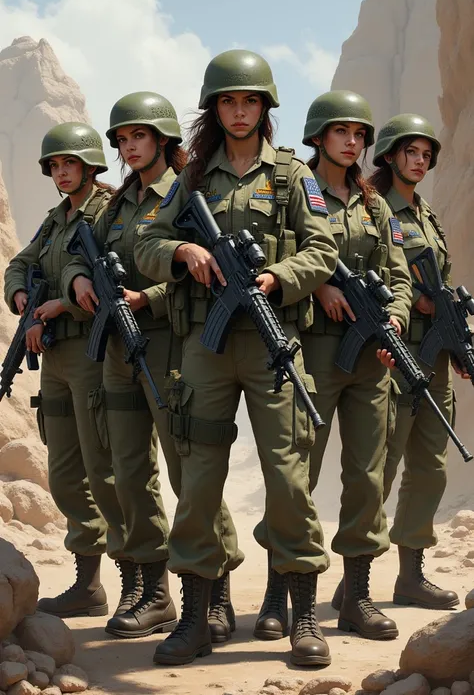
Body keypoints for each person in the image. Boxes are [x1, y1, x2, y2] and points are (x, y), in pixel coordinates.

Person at [135, 49, 339, 667]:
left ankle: (303, 614)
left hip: (273, 341)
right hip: (206, 345)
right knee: (198, 479)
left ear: (266, 108)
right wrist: (183, 254)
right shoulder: (189, 179)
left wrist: (276, 278)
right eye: (229, 100)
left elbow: (323, 249)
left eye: (251, 100)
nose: (241, 110)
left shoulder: (292, 174)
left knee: (288, 476)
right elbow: (145, 240)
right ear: (214, 109)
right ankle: (196, 618)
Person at [63, 92, 243, 640]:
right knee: (125, 471)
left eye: (138, 136)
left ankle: (215, 592)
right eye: (121, 139)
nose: (129, 146)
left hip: (171, 345)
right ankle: (151, 588)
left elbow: (209, 267)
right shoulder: (115, 204)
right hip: (117, 348)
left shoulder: (186, 196)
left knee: (191, 471)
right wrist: (76, 279)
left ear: (163, 139)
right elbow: (79, 248)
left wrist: (154, 298)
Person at [290, 90, 412, 640]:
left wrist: (396, 319)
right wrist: (317, 288)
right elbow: (273, 259)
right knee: (298, 473)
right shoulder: (298, 188)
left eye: (360, 134)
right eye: (341, 132)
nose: (353, 142)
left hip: (370, 357)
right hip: (316, 350)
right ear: (318, 136)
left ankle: (357, 597)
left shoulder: (374, 204)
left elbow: (401, 275)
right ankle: (286, 596)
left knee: (366, 475)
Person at [4, 122, 128, 618]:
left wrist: (58, 307)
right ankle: (88, 585)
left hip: (95, 355)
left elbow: (112, 281)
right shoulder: (55, 220)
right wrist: (22, 298)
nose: (61, 172)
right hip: (55, 359)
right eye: (54, 166)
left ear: (91, 165)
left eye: (69, 164)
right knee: (65, 473)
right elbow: (20, 262)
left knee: (107, 472)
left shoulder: (108, 213)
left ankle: (140, 582)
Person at [369, 113, 461, 609]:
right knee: (379, 467)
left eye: (426, 155)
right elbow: (366, 272)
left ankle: (410, 574)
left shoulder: (427, 216)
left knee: (430, 465)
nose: (420, 162)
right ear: (389, 155)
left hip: (434, 357)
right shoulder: (373, 210)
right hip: (394, 356)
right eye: (412, 152)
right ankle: (356, 576)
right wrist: (412, 303)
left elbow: (441, 289)